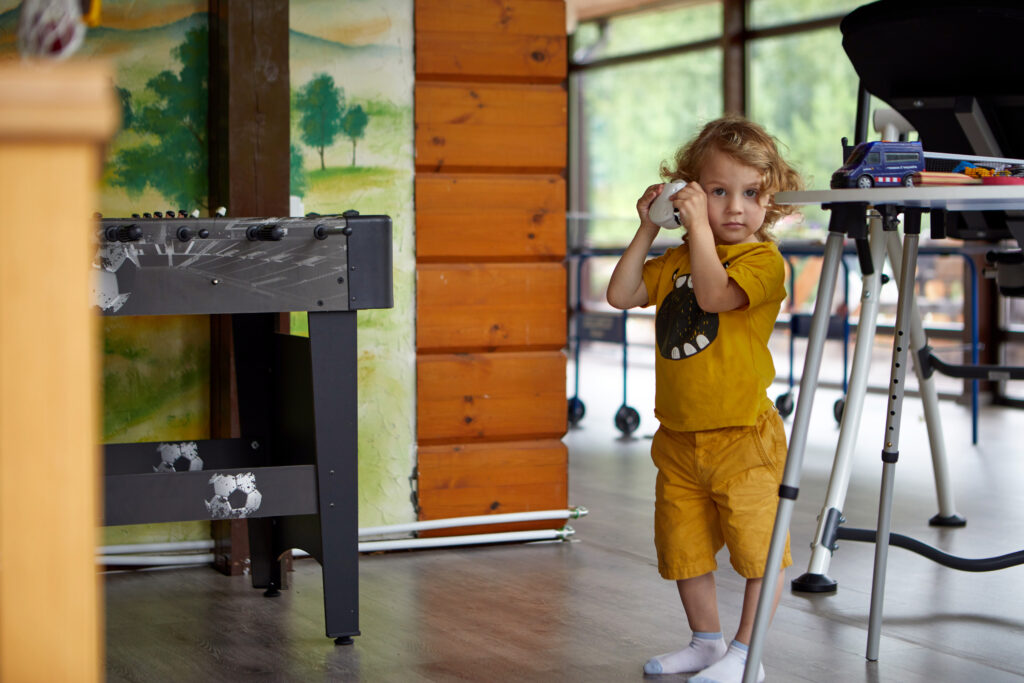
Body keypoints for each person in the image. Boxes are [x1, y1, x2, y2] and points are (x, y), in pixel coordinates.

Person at [605, 115, 802, 683]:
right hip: (679, 438)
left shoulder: (762, 262)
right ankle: (707, 642)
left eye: (751, 193)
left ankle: (747, 653)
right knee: (684, 549)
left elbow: (714, 297)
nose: (735, 207)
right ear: (688, 193)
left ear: (772, 200)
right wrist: (649, 228)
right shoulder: (672, 263)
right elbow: (620, 294)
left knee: (760, 552)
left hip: (744, 437)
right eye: (717, 192)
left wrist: (695, 233)